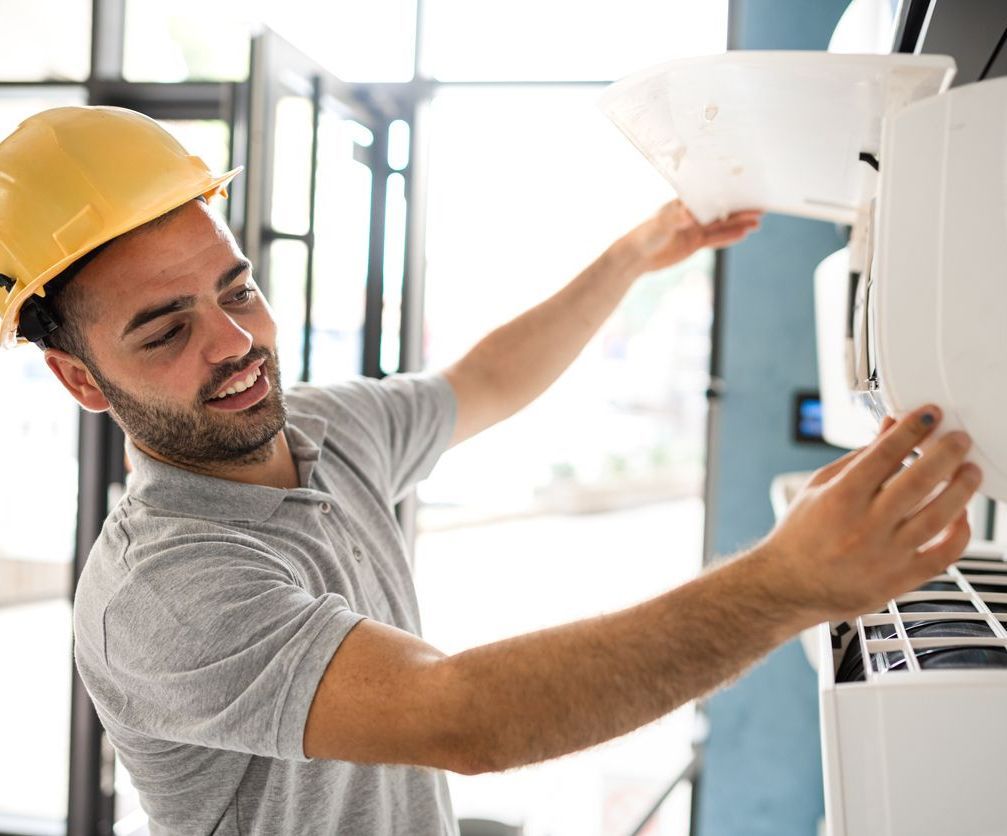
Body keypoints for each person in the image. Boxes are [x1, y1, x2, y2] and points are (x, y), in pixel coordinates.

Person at [0, 106, 981, 835]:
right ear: (81, 378)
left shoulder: (322, 430)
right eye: (168, 328)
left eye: (238, 290)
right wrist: (785, 584)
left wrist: (635, 254)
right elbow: (466, 714)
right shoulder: (165, 591)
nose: (237, 342)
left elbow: (485, 380)